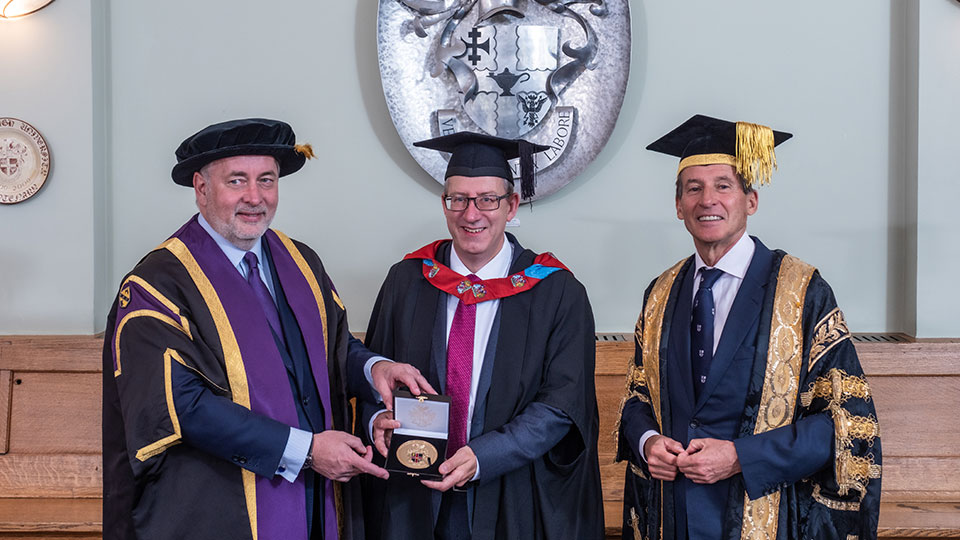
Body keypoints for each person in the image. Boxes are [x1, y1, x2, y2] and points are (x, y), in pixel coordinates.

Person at [101, 118, 432, 540]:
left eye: (267, 180)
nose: (254, 197)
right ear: (201, 189)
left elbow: (330, 350)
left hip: (316, 499)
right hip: (220, 510)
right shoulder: (158, 284)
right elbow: (183, 405)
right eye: (236, 181)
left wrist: (373, 370)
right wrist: (307, 451)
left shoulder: (300, 260)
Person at [616, 115, 882, 540]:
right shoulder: (660, 293)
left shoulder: (802, 292)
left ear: (751, 200)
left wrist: (742, 457)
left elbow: (844, 423)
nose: (708, 200)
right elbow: (637, 396)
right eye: (694, 188)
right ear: (678, 205)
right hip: (674, 515)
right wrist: (647, 440)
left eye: (723, 185)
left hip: (765, 515)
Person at [359, 132, 604, 540]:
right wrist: (375, 422)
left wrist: (483, 457)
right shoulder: (406, 281)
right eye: (459, 199)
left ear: (511, 206)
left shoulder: (557, 292)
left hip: (513, 494)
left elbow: (563, 404)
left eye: (487, 199)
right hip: (414, 497)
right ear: (444, 204)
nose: (472, 214)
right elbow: (371, 377)